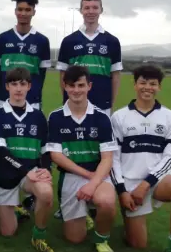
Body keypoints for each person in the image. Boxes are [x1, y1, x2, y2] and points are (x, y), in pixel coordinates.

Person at [110, 65, 171, 252]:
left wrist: (146, 183)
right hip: (130, 182)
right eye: (143, 82)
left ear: (159, 87)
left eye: (153, 84)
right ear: (135, 85)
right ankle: (128, 221)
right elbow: (113, 158)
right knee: (138, 244)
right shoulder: (119, 117)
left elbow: (170, 157)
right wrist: (122, 190)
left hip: (157, 180)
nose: (147, 87)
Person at [46, 65, 118, 252]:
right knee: (74, 239)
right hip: (72, 175)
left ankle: (101, 239)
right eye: (71, 85)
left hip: (98, 175)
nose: (76, 90)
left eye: (80, 85)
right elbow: (56, 155)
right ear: (65, 86)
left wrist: (92, 183)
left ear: (89, 86)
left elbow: (108, 158)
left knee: (107, 202)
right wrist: (86, 175)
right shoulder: (55, 117)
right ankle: (82, 212)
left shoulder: (102, 118)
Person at [0, 0, 52, 216]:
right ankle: (2, 187)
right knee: (4, 145)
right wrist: (9, 91)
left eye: (28, 10)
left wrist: (30, 94)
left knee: (30, 146)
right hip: (5, 99)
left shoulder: (42, 41)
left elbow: (42, 75)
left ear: (34, 12)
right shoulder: (2, 39)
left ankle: (29, 196)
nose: (24, 13)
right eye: (20, 9)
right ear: (15, 11)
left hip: (32, 102)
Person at [0, 67, 54, 252]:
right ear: (6, 87)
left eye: (22, 84)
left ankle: (38, 236)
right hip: (6, 174)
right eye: (14, 84)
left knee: (46, 193)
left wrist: (46, 169)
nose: (18, 88)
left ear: (29, 86)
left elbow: (45, 150)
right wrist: (26, 170)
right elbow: (0, 151)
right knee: (8, 232)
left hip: (29, 175)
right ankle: (16, 207)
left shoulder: (39, 116)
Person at [56, 0, 122, 116]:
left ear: (101, 10)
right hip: (74, 104)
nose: (91, 11)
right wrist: (66, 98)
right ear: (81, 10)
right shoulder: (69, 41)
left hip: (102, 104)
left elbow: (116, 76)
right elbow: (63, 75)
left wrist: (111, 103)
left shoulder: (112, 41)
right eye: (87, 8)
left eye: (95, 7)